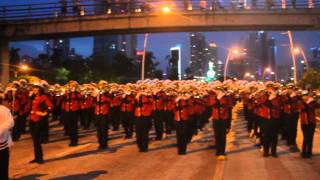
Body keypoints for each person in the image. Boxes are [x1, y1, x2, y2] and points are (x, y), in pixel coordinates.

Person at [25, 82, 53, 164]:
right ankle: (36, 157)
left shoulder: (44, 97)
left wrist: (44, 113)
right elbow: (28, 106)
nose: (35, 89)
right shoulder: (32, 97)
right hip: (32, 119)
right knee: (34, 139)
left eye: (37, 88)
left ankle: (40, 157)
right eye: (34, 88)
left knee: (37, 139)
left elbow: (51, 106)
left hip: (38, 120)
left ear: (40, 89)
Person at [296, 91, 320, 158]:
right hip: (304, 123)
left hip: (312, 123)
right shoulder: (300, 102)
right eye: (304, 95)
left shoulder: (312, 102)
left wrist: (314, 100)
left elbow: (317, 106)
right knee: (306, 137)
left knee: (310, 138)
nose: (305, 96)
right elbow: (303, 108)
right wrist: (308, 102)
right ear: (302, 96)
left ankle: (309, 152)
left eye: (306, 95)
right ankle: (304, 152)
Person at [0, 96, 14, 180]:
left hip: (1, 143)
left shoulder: (3, 109)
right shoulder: (4, 109)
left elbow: (10, 122)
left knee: (2, 166)